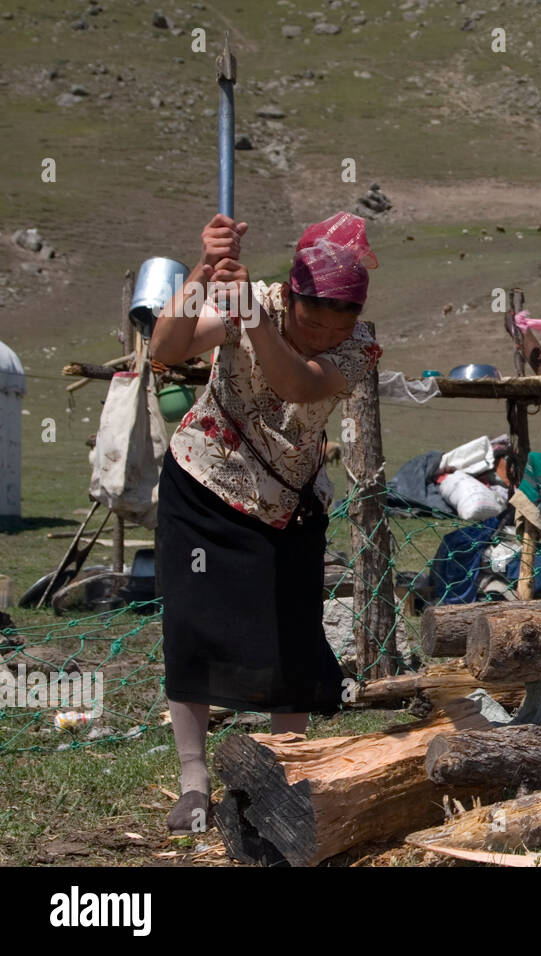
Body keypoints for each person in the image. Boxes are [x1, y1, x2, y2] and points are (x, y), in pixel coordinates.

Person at [149, 211, 382, 834]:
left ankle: (284, 774)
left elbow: (299, 385)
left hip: (285, 503)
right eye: (312, 320)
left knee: (291, 642)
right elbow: (165, 350)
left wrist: (253, 320)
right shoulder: (252, 302)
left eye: (339, 323)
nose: (324, 335)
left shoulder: (359, 349)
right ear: (293, 295)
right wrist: (203, 272)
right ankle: (194, 783)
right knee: (193, 630)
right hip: (203, 483)